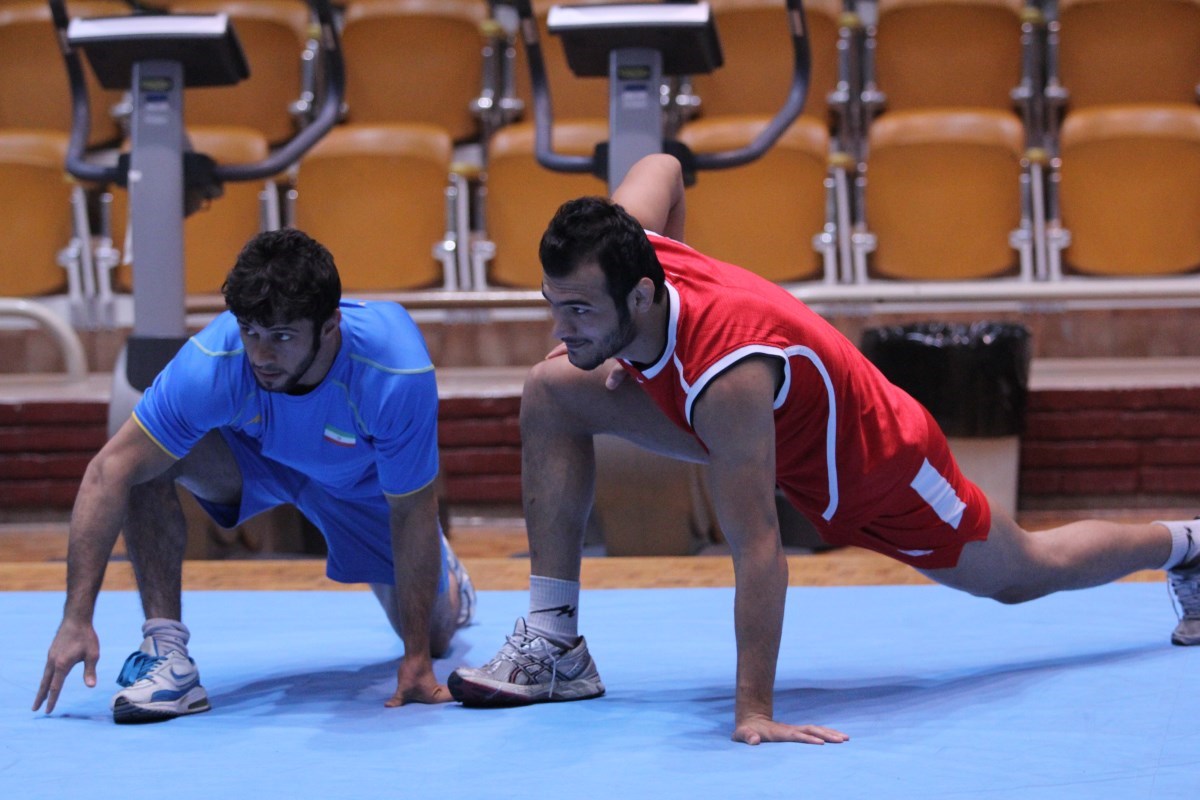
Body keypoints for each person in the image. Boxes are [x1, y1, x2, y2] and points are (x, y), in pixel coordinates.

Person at [447, 153, 1200, 745]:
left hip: (881, 469)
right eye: (555, 305)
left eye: (581, 311)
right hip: (771, 433)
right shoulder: (632, 246)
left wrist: (754, 710)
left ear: (641, 296)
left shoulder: (727, 376)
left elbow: (759, 548)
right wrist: (628, 354)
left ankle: (1187, 546)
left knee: (1023, 572)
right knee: (551, 389)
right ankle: (555, 641)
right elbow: (664, 167)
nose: (562, 328)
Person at [33, 228, 475, 723]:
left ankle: (450, 580)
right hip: (257, 460)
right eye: (251, 332)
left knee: (435, 636)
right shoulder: (213, 362)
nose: (262, 355)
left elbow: (412, 509)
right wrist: (76, 618)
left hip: (358, 487)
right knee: (142, 463)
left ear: (330, 326)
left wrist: (416, 661)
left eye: (282, 337)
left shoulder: (393, 371)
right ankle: (166, 653)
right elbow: (106, 472)